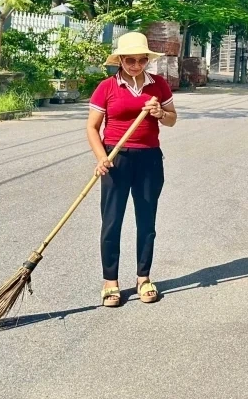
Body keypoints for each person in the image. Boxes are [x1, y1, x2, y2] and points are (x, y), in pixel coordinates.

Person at [86, 32, 178, 308]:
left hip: (149, 159)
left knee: (146, 221)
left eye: (141, 60)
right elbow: (92, 128)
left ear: (147, 60)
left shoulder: (158, 85)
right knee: (112, 221)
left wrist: (160, 114)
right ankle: (110, 281)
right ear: (120, 60)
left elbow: (173, 120)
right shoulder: (106, 87)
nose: (136, 65)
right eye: (130, 60)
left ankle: (143, 277)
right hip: (116, 158)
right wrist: (102, 157)